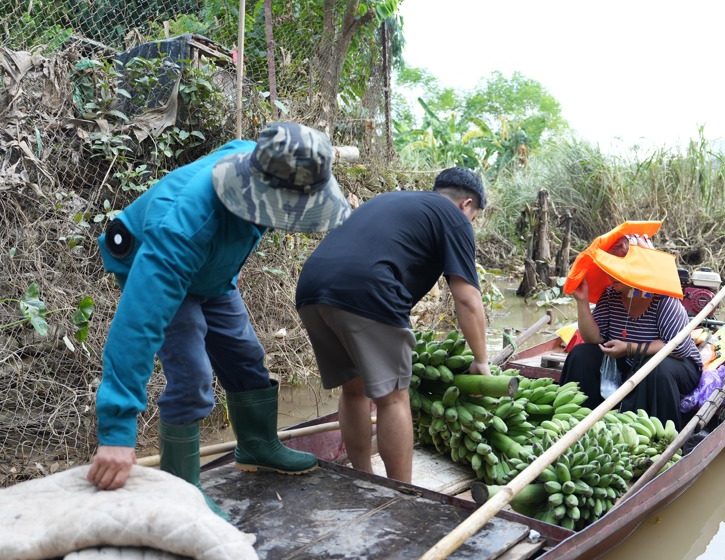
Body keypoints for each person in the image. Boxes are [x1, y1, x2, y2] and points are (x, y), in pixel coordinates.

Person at [86, 122, 352, 519]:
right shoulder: (181, 226)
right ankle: (183, 491)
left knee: (245, 354)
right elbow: (137, 327)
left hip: (212, 272)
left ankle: (257, 445)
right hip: (153, 258)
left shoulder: (261, 157)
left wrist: (226, 262)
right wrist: (117, 431)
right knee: (192, 375)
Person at [295, 167, 491, 483]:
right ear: (467, 204)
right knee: (394, 397)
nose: (470, 223)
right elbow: (467, 297)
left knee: (354, 389)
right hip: (367, 290)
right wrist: (481, 361)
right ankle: (401, 493)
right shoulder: (453, 217)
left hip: (311, 287)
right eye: (474, 217)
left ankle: (362, 478)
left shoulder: (394, 200)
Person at [561, 233, 702, 428]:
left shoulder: (664, 300)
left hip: (674, 366)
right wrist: (582, 302)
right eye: (610, 268)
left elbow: (677, 349)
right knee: (581, 354)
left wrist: (629, 348)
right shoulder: (611, 295)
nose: (611, 275)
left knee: (654, 369)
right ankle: (580, 422)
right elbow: (594, 338)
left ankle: (656, 436)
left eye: (620, 268)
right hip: (628, 361)